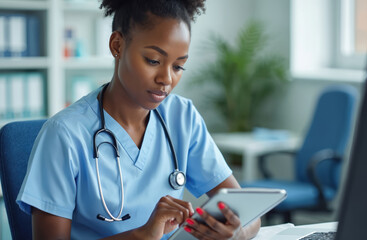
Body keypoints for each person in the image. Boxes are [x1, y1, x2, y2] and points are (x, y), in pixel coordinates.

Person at [16, 0, 261, 239]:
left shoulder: (182, 117)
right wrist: (142, 235)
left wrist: (237, 233)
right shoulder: (64, 134)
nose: (166, 79)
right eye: (154, 61)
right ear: (117, 45)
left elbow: (250, 215)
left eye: (178, 67)